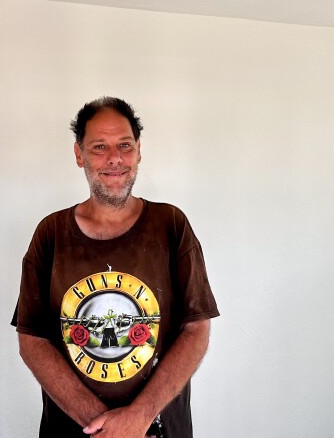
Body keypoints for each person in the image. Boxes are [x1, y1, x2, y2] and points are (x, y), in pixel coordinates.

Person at [11, 97, 219, 437]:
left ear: (138, 150)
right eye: (99, 147)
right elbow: (32, 339)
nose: (114, 158)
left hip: (159, 430)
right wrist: (103, 426)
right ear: (79, 155)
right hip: (75, 430)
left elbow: (195, 330)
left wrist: (139, 417)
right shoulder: (50, 234)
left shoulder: (171, 225)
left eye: (124, 145)